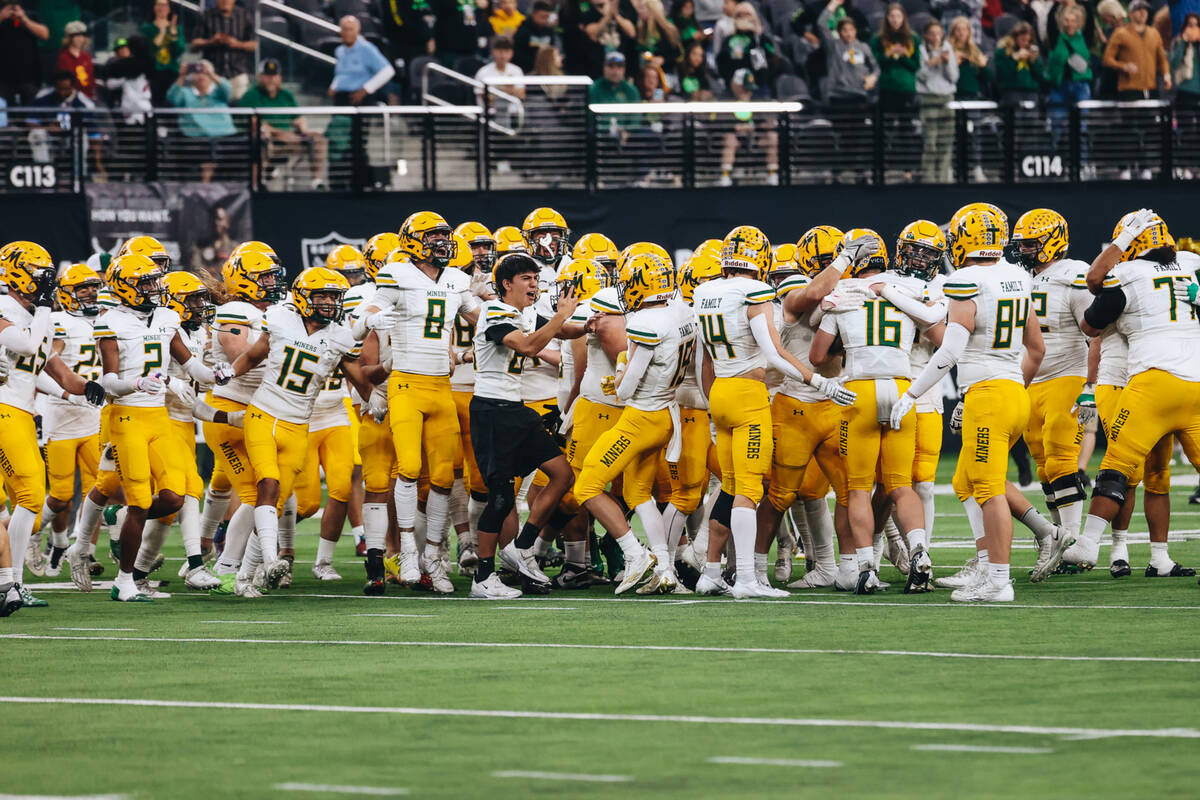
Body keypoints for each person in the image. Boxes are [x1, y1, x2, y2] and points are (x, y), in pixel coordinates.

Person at [889, 204, 1045, 603]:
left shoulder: (964, 279)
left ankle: (998, 580)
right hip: (1011, 391)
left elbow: (949, 352)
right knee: (967, 481)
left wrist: (910, 394)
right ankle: (991, 569)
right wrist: (1009, 389)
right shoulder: (1017, 275)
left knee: (989, 489)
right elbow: (1036, 348)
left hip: (990, 395)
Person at [692, 225, 856, 598]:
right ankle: (748, 579)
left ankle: (711, 572)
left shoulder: (704, 292)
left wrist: (712, 402)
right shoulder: (754, 290)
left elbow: (704, 359)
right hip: (748, 395)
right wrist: (819, 382)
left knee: (731, 488)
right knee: (749, 490)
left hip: (720, 392)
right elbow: (772, 354)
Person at [1048, 210, 1200, 579]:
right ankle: (1126, 552)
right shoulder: (1190, 266)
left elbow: (1091, 315)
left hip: (1154, 383)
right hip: (1196, 383)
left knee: (1116, 467)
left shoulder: (1129, 273)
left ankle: (1088, 543)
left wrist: (1118, 246)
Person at [351, 212, 482, 594]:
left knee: (443, 477)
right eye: (434, 237)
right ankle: (407, 551)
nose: (442, 243)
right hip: (406, 385)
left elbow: (481, 317)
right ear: (412, 240)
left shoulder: (457, 279)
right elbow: (367, 315)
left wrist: (508, 320)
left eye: (445, 236)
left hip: (442, 386)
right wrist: (365, 322)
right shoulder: (396, 273)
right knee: (408, 467)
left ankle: (433, 559)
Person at [465, 253, 583, 599]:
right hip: (492, 410)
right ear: (507, 284)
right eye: (527, 278)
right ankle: (483, 579)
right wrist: (562, 316)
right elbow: (531, 345)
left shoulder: (523, 313)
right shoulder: (495, 311)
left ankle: (522, 546)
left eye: (535, 278)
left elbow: (562, 328)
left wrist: (590, 326)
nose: (534, 284)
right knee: (501, 498)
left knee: (562, 474)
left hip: (515, 409)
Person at [0, 242, 105, 608]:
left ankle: (11, 583)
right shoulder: (7, 308)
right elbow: (28, 347)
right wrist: (44, 304)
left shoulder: (31, 314)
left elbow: (48, 370)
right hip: (4, 409)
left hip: (21, 410)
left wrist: (80, 390)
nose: (44, 281)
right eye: (37, 274)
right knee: (30, 495)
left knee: (20, 502)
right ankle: (9, 584)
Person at [1001, 209, 1094, 581]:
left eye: (1029, 243)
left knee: (1061, 459)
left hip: (1069, 375)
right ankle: (1059, 540)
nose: (1023, 250)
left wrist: (1091, 388)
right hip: (1032, 380)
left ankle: (1074, 545)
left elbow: (1095, 331)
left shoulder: (1075, 274)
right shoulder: (1021, 277)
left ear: (1052, 242)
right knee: (1042, 464)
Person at [240, 59, 329, 190]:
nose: (271, 79)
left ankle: (317, 181)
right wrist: (280, 134)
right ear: (260, 77)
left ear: (279, 77)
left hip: (291, 139)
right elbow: (255, 122)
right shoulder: (251, 95)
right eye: (267, 75)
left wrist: (304, 130)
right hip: (269, 139)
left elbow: (298, 118)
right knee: (262, 136)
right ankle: (261, 181)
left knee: (318, 139)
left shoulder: (286, 95)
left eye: (274, 75)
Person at [167, 60, 237, 183]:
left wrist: (211, 74)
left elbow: (228, 90)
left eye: (204, 72)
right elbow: (172, 98)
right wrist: (182, 76)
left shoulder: (218, 93)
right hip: (194, 139)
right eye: (197, 72)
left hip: (224, 137)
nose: (201, 76)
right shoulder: (185, 92)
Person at [718, 69, 779, 186]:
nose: (748, 92)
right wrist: (735, 127)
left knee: (772, 137)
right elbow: (719, 122)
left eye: (749, 88)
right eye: (744, 88)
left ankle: (773, 173)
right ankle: (725, 176)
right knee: (729, 139)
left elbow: (764, 119)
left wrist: (758, 126)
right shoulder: (725, 98)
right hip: (735, 137)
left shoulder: (756, 97)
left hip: (755, 136)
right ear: (735, 85)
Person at [917, 19, 958, 183]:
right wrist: (932, 63)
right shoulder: (920, 50)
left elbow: (954, 77)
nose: (936, 37)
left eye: (939, 33)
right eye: (932, 33)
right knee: (930, 144)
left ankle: (943, 180)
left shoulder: (948, 49)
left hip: (947, 99)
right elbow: (920, 76)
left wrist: (947, 63)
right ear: (926, 35)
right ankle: (928, 180)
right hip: (928, 99)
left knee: (946, 143)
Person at [818, 0, 879, 108]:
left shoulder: (863, 47)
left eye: (851, 30)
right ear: (839, 32)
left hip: (859, 94)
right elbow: (821, 23)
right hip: (838, 95)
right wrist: (834, 4)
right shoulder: (833, 45)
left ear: (855, 31)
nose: (848, 33)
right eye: (845, 30)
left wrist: (873, 77)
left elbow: (876, 68)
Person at [1104, 0, 1171, 99]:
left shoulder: (1154, 33)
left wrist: (1166, 74)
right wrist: (1123, 66)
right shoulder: (1120, 33)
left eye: (1145, 10)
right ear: (1131, 14)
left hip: (1151, 87)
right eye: (1138, 10)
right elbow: (1107, 59)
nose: (1143, 12)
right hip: (1129, 88)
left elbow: (1162, 58)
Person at [190, 0, 254, 100]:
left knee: (241, 108)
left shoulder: (244, 15)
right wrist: (211, 41)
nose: (225, 1)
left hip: (237, 72)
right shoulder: (207, 15)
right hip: (214, 74)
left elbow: (254, 45)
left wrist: (237, 44)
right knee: (213, 106)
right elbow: (194, 43)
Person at [330, 15, 396, 106]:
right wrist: (333, 86)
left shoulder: (367, 48)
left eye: (351, 29)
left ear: (358, 31)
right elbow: (341, 73)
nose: (347, 33)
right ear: (341, 31)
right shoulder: (339, 50)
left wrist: (365, 90)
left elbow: (388, 71)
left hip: (359, 99)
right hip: (340, 97)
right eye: (345, 29)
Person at [716, 2, 778, 90]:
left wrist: (758, 36)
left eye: (747, 14)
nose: (744, 18)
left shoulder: (761, 38)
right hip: (735, 87)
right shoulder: (729, 39)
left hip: (760, 85)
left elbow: (771, 57)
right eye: (740, 15)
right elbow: (722, 63)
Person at [871, 3, 920, 113]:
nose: (895, 20)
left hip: (907, 87)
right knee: (888, 123)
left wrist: (904, 56)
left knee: (906, 123)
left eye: (898, 16)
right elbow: (875, 64)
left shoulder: (913, 38)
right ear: (887, 18)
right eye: (892, 16)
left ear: (903, 18)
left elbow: (916, 66)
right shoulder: (878, 39)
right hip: (887, 87)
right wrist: (888, 54)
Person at [0, 1, 49, 105]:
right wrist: (1, 16)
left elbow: (45, 35)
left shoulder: (30, 15)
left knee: (32, 112)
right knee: (3, 113)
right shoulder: (2, 14)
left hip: (29, 75)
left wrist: (24, 19)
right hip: (3, 75)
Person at [142, 0, 185, 106]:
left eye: (165, 5)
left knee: (172, 101)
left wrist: (173, 33)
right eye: (159, 4)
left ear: (169, 8)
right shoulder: (147, 28)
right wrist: (162, 32)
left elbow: (179, 50)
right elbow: (149, 50)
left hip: (172, 71)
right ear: (154, 7)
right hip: (153, 73)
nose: (162, 8)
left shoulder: (176, 29)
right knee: (154, 103)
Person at [995, 21, 1045, 105]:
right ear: (1015, 37)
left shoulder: (1033, 52)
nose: (1026, 43)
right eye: (1023, 40)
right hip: (1011, 92)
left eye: (1029, 41)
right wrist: (1014, 59)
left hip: (1032, 93)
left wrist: (1033, 61)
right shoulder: (1003, 52)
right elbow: (1002, 75)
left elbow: (1040, 76)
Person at [513, 0, 561, 72]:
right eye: (542, 17)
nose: (545, 20)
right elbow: (518, 53)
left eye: (547, 17)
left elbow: (552, 48)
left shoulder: (549, 31)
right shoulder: (522, 31)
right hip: (526, 68)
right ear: (533, 14)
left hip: (546, 68)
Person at [948, 15, 988, 99]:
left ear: (969, 32)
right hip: (954, 93)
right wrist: (953, 63)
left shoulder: (975, 50)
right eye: (958, 29)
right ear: (953, 32)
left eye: (964, 29)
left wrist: (983, 66)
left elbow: (986, 77)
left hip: (973, 94)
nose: (961, 32)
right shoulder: (948, 49)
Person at [633, 0, 682, 66]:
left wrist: (663, 59)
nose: (639, 11)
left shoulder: (666, 29)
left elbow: (678, 54)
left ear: (652, 9)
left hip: (665, 71)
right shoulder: (640, 29)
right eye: (639, 8)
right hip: (645, 71)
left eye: (642, 8)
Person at [56, 20, 95, 99]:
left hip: (88, 97)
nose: (80, 39)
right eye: (77, 36)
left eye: (82, 36)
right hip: (70, 98)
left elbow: (91, 78)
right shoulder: (63, 57)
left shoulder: (86, 56)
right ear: (70, 38)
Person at [1169, 12, 1200, 108]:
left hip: (1198, 90)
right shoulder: (1178, 42)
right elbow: (1174, 64)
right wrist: (1183, 41)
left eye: (1196, 25)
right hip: (1185, 89)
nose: (1193, 29)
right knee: (1185, 121)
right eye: (1190, 25)